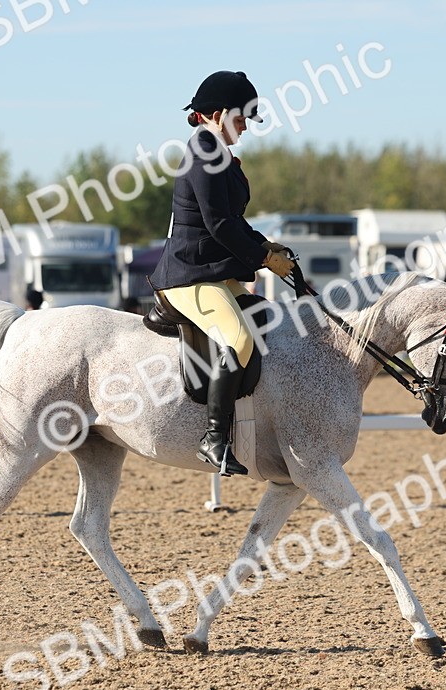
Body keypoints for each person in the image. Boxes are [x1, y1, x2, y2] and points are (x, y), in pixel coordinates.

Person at [149, 70, 294, 476]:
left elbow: (234, 220)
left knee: (265, 314)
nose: (246, 126)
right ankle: (214, 440)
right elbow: (219, 225)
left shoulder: (217, 152)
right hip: (190, 275)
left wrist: (266, 247)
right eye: (242, 118)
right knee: (239, 337)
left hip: (212, 271)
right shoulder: (204, 153)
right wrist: (263, 260)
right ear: (217, 114)